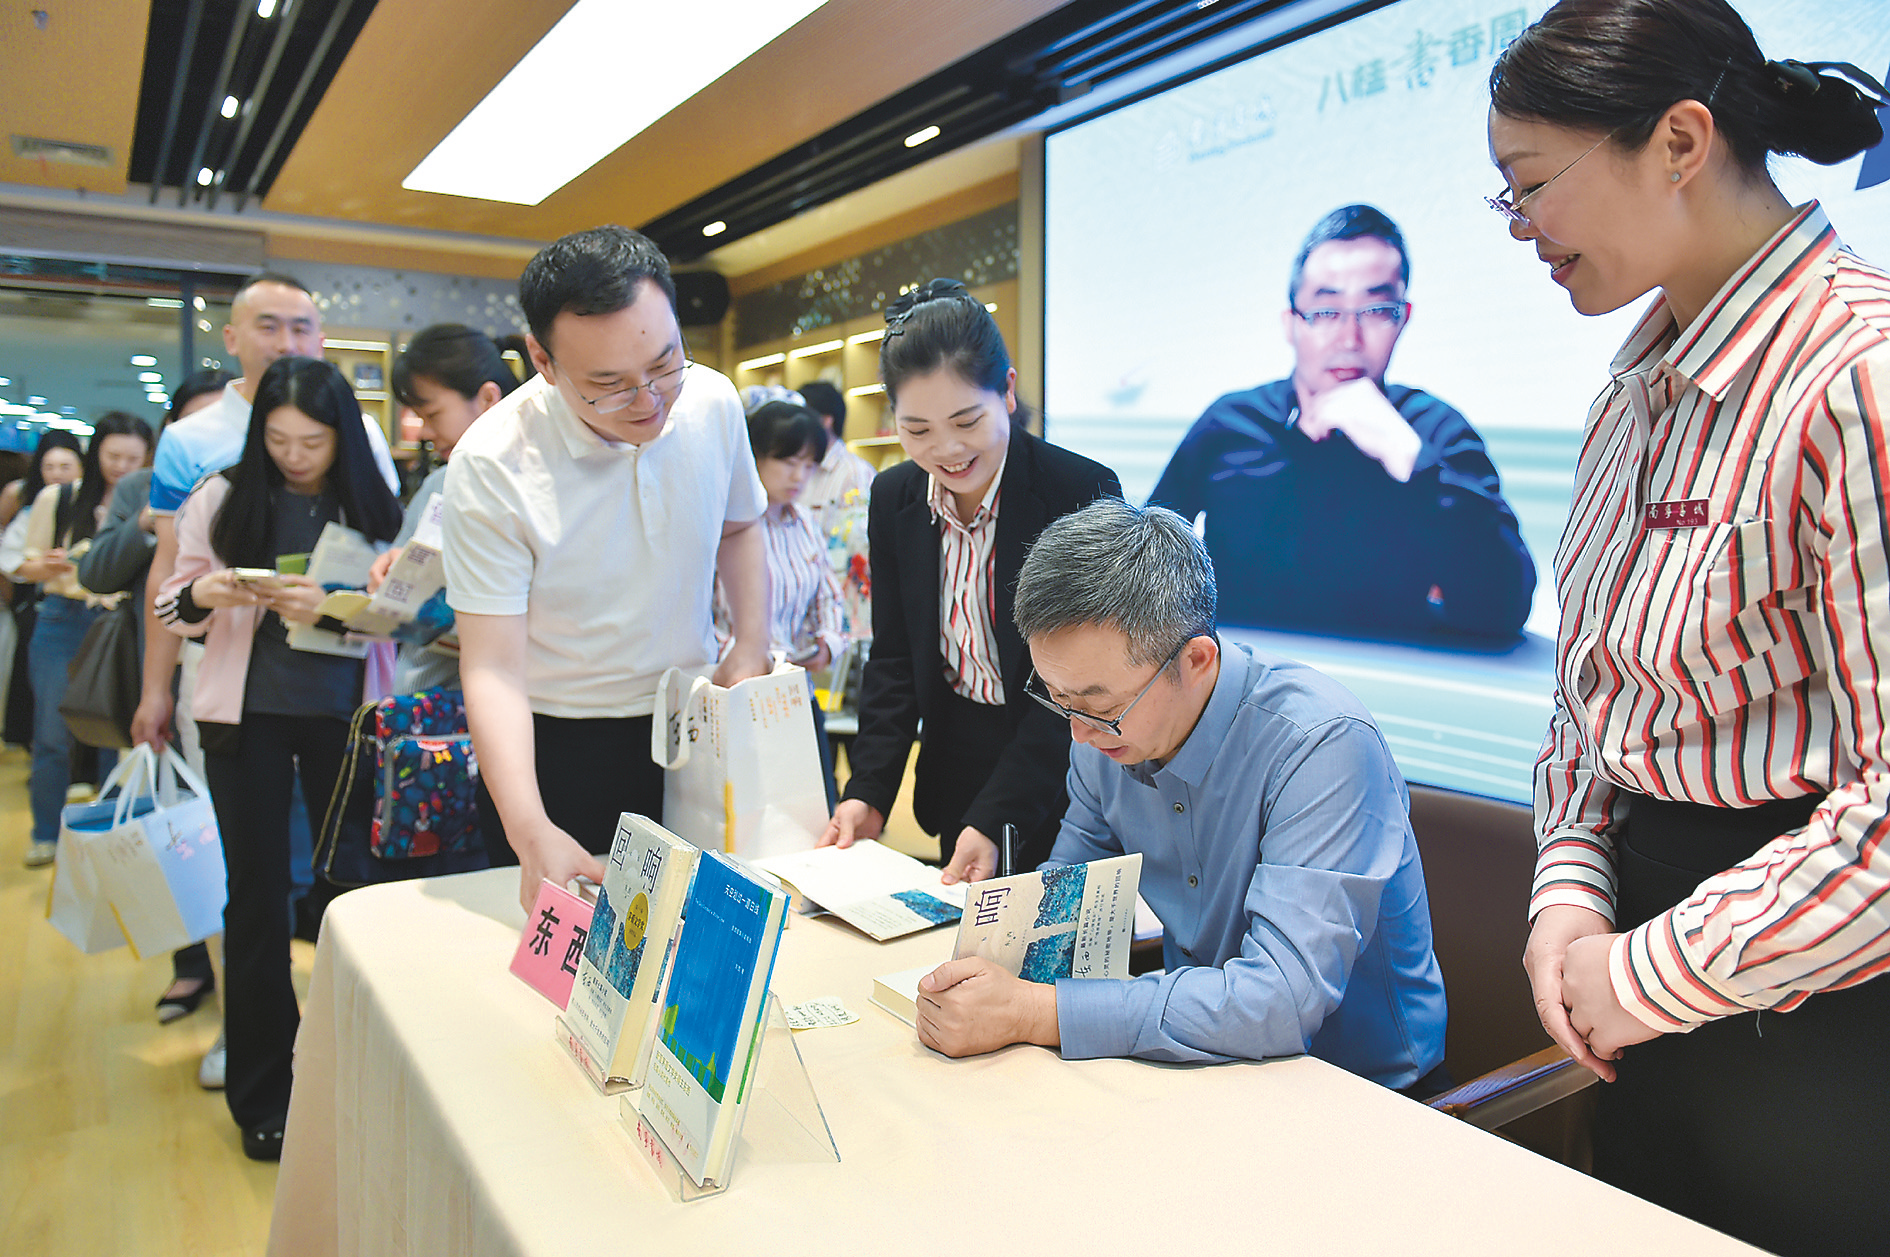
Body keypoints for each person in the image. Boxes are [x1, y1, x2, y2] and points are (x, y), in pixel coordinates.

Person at [1489, 3, 1890, 1252]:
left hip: (1821, 1002)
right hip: (1634, 968)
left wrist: (1649, 974)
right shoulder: (1630, 395)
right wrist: (1569, 893)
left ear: (1679, 140)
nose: (1521, 227)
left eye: (1531, 184)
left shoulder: (1859, 371)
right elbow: (1590, 700)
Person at [914, 499, 1449, 1090]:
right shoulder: (1103, 739)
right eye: (1058, 699)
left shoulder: (1321, 745)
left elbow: (1278, 1000)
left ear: (1195, 660)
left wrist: (1034, 1012)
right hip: (1191, 1066)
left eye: (1100, 706)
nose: (1079, 733)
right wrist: (994, 967)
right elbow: (1065, 908)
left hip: (1358, 1092)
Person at [442, 226, 771, 914]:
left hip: (695, 721)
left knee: (710, 935)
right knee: (576, 962)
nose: (649, 400)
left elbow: (740, 525)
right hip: (561, 743)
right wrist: (530, 827)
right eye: (608, 385)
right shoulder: (493, 462)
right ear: (542, 359)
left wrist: (751, 639)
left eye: (665, 363)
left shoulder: (712, 401)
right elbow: (493, 668)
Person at [157, 356, 402, 1161]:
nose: (295, 456)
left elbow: (404, 615)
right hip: (247, 719)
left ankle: (355, 1072)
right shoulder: (224, 494)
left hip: (348, 720)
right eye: (279, 439)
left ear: (343, 437)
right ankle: (264, 1091)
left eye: (313, 442)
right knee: (256, 899)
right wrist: (209, 592)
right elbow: (170, 602)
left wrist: (333, 608)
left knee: (352, 893)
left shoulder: (372, 501)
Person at [820, 278, 1122, 871]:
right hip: (954, 763)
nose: (947, 450)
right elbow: (895, 660)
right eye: (918, 430)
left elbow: (1085, 682)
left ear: (1006, 391)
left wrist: (998, 816)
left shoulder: (1076, 490)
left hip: (1067, 765)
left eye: (966, 420)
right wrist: (868, 792)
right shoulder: (895, 497)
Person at [1149, 205, 1536, 640]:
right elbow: (1139, 573)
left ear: (1403, 319)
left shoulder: (1436, 432)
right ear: (1291, 324)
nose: (1349, 339)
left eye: (1376, 310)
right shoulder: (1230, 423)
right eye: (1326, 311)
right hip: (1236, 674)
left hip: (1388, 679)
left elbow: (1504, 609)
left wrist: (1409, 459)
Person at [79, 370, 231, 1022]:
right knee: (173, 826)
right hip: (156, 664)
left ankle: (228, 977)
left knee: (218, 833)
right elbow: (98, 570)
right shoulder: (145, 486)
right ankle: (189, 965)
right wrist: (145, 523)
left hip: (219, 670)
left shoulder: (246, 480)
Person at [17, 414, 154, 867]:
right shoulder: (61, 497)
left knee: (117, 731)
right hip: (63, 618)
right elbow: (25, 565)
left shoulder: (150, 499)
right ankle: (45, 834)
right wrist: (53, 565)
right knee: (52, 734)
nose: (122, 466)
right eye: (113, 455)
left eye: (133, 458)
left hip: (121, 621)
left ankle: (111, 836)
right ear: (96, 454)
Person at [372, 323, 523, 693]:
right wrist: (390, 572)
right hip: (422, 704)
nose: (424, 432)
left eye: (433, 415)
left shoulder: (538, 489)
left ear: (488, 399)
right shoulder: (438, 483)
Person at [716, 399, 848, 808]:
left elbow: (829, 595)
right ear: (754, 456)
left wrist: (827, 643)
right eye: (788, 461)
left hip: (793, 693)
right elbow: (701, 614)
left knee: (812, 809)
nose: (799, 476)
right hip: (734, 697)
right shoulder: (723, 521)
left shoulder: (804, 522)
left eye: (809, 465)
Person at [0, 432, 83, 748]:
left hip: (88, 607)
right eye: (49, 466)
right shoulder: (25, 497)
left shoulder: (96, 502)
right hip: (40, 602)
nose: (56, 473)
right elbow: (12, 556)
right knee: (41, 693)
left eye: (65, 466)